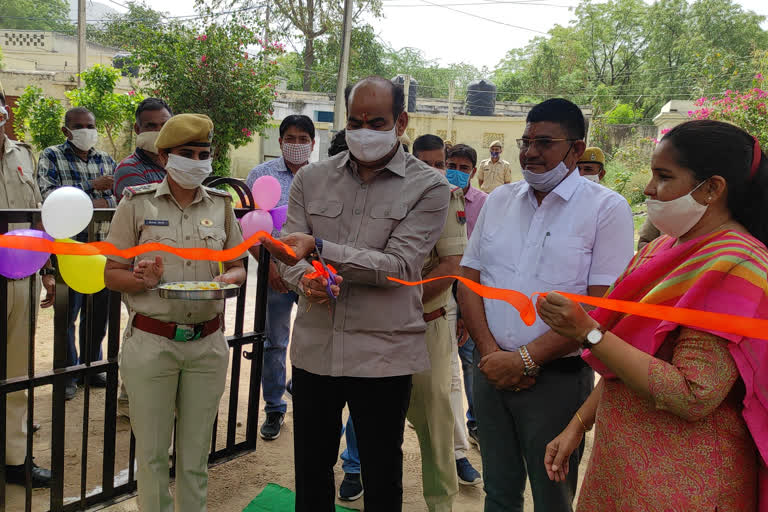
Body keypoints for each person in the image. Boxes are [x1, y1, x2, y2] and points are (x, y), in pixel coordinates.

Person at [540, 119, 768, 511]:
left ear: (712, 188)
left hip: (683, 483)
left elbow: (694, 393)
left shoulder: (735, 264)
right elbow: (630, 354)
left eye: (663, 177)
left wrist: (589, 332)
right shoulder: (661, 250)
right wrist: (579, 423)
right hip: (623, 469)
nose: (648, 189)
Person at [274, 76, 450, 512]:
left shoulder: (429, 187)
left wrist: (321, 249)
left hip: (383, 355)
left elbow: (399, 267)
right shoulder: (311, 179)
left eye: (377, 121)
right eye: (355, 121)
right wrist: (304, 279)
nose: (364, 131)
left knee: (381, 471)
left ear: (401, 122)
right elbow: (287, 252)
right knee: (311, 469)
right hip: (318, 348)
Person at [458, 98, 634, 512]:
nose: (530, 152)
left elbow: (601, 306)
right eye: (526, 140)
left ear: (576, 149)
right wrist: (490, 354)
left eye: (545, 142)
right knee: (498, 492)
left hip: (556, 381)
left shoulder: (607, 209)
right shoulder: (499, 200)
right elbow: (469, 281)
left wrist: (524, 360)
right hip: (490, 371)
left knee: (552, 496)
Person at [104, 114, 248, 512]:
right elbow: (112, 273)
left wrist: (226, 278)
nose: (198, 161)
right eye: (188, 153)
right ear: (165, 157)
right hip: (153, 342)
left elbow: (237, 264)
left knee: (195, 455)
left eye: (204, 154)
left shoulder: (220, 205)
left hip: (207, 344)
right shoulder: (136, 203)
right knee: (151, 456)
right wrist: (142, 280)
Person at [244, 114, 315, 442]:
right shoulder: (261, 175)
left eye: (304, 139)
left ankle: (299, 387)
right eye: (291, 138)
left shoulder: (324, 177)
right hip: (274, 273)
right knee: (274, 342)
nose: (297, 144)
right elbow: (252, 228)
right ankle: (274, 406)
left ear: (313, 144)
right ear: (280, 140)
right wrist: (268, 267)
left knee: (314, 337)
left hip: (313, 272)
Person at [37, 106, 116, 399]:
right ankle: (68, 373)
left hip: (100, 249)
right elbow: (49, 196)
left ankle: (92, 366)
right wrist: (91, 188)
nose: (86, 130)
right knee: (66, 315)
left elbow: (114, 201)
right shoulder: (51, 156)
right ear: (66, 130)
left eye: (90, 125)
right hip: (67, 249)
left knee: (98, 315)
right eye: (79, 126)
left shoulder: (105, 159)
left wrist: (88, 198)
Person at [0, 81, 54, 487]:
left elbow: (38, 218)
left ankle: (15, 459)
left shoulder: (22, 155)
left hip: (20, 277)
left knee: (18, 371)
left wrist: (48, 271)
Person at [446, 143, 487, 450]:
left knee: (470, 359)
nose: (457, 172)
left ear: (474, 172)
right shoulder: (436, 197)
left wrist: (466, 309)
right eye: (452, 165)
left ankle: (476, 422)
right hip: (438, 286)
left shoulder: (484, 204)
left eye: (464, 168)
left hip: (471, 290)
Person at [113, 98, 173, 199]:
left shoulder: (177, 164)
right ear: (137, 129)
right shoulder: (129, 169)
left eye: (165, 125)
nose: (159, 131)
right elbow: (149, 210)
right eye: (151, 126)